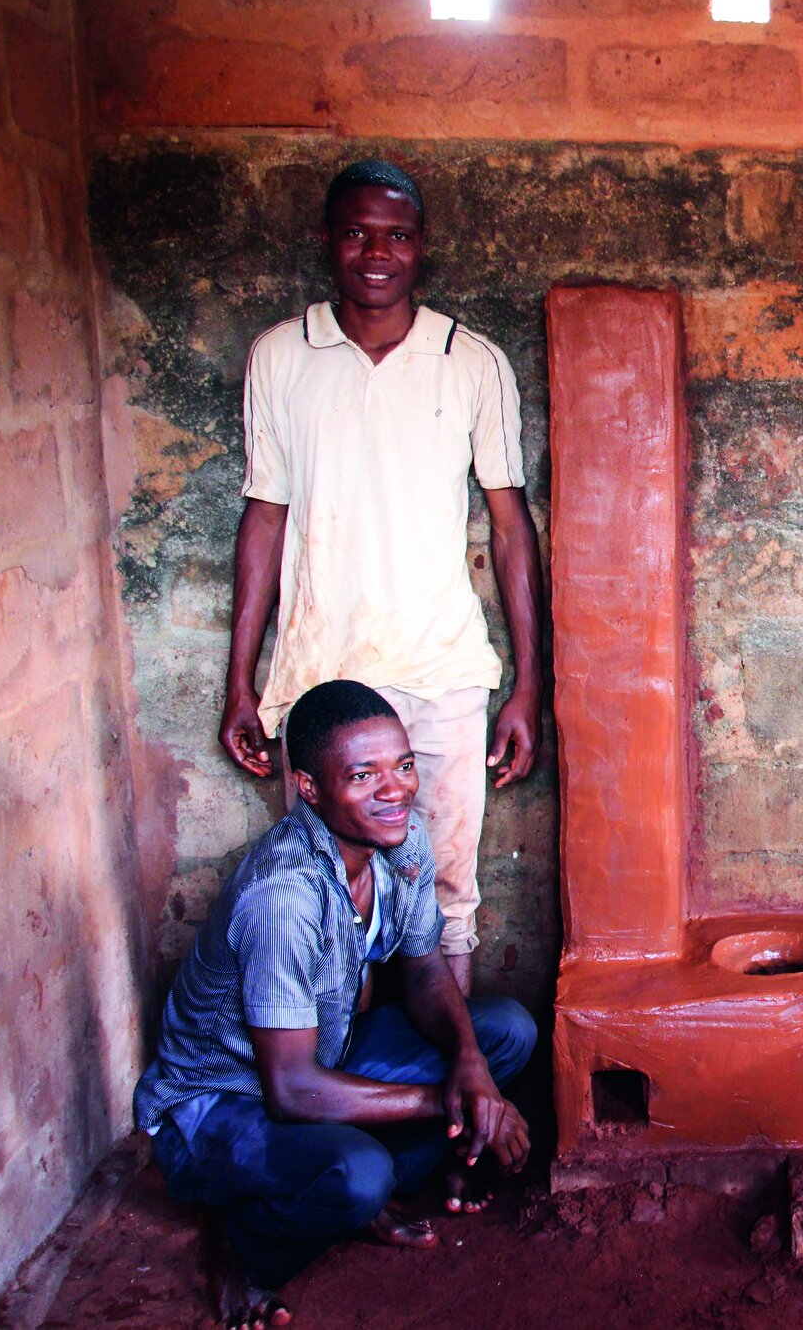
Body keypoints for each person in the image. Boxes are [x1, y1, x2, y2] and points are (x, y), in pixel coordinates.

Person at [220, 158, 545, 997]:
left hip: (441, 673)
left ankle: (451, 1095)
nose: (377, 252)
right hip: (323, 679)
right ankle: (344, 1086)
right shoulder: (280, 357)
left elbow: (512, 528)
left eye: (396, 235)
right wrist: (240, 684)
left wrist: (526, 690)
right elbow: (265, 517)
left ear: (420, 247)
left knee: (444, 892)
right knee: (333, 891)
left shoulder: (469, 361)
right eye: (358, 233)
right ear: (329, 241)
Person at [136, 681, 537, 1329]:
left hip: (324, 1058)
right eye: (363, 774)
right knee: (360, 1175)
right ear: (310, 788)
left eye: (403, 764)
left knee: (504, 1033)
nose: (396, 788)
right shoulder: (283, 895)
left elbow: (427, 968)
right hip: (221, 1102)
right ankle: (242, 1242)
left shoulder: (400, 841)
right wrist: (458, 1103)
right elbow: (291, 1090)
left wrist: (472, 1069)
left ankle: (345, 1177)